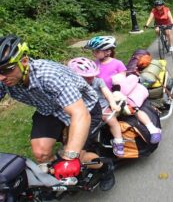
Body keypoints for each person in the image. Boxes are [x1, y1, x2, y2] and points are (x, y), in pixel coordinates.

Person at [0, 35, 114, 191]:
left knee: (76, 156)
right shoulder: (4, 79)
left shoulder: (48, 75)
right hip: (49, 109)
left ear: (24, 61)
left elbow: (80, 114)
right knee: (41, 153)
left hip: (84, 107)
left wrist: (70, 157)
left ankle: (105, 167)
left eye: (7, 69)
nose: (1, 77)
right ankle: (60, 176)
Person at [68, 57, 125, 157]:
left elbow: (107, 93)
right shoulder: (73, 87)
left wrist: (113, 103)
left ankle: (118, 141)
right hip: (84, 110)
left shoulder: (98, 81)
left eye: (92, 75)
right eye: (86, 77)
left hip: (101, 106)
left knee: (111, 120)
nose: (91, 78)